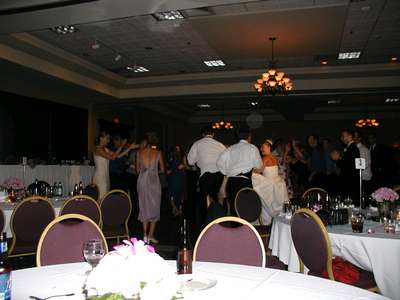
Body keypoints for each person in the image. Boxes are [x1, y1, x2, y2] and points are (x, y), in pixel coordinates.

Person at [217, 125, 263, 215]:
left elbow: (219, 163)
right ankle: (244, 228)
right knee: (245, 210)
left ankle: (235, 228)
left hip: (231, 182)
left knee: (234, 210)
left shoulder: (230, 149)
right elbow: (259, 166)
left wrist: (226, 172)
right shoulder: (252, 148)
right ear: (249, 136)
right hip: (244, 183)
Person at [187, 126, 226, 228]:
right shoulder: (220, 144)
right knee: (215, 197)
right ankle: (218, 220)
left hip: (206, 175)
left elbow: (190, 161)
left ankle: (206, 224)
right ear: (213, 134)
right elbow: (226, 160)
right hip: (219, 175)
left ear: (202, 134)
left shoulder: (197, 144)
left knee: (203, 200)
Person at [136, 134, 165, 244]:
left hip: (142, 181)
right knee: (154, 207)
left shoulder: (139, 153)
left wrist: (144, 170)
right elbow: (162, 169)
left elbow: (138, 171)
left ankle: (144, 235)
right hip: (154, 181)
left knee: (144, 207)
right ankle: (151, 235)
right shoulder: (158, 153)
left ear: (145, 143)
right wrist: (153, 171)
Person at [252, 139, 289, 225]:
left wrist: (251, 170)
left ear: (269, 147)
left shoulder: (265, 158)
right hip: (277, 182)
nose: (261, 149)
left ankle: (266, 223)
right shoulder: (274, 158)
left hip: (268, 184)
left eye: (263, 147)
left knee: (266, 205)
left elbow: (259, 171)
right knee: (274, 204)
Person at [92, 131, 137, 200]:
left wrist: (130, 148)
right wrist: (122, 145)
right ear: (101, 138)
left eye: (109, 139)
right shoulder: (98, 149)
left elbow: (118, 156)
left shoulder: (106, 149)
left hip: (106, 177)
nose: (108, 141)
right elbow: (112, 158)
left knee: (105, 198)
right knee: (100, 198)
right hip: (99, 177)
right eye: (107, 138)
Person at [331, 129, 360, 205]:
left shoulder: (353, 148)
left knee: (349, 203)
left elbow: (347, 166)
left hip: (350, 181)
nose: (341, 138)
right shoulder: (350, 148)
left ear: (350, 136)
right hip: (348, 181)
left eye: (343, 136)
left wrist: (338, 159)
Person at [167, 145, 187, 216]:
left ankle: (178, 208)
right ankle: (174, 207)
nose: (177, 150)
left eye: (178, 149)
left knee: (179, 193)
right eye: (176, 149)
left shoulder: (182, 157)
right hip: (174, 177)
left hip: (180, 177)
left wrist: (183, 167)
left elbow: (184, 166)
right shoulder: (171, 158)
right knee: (173, 192)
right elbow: (168, 169)